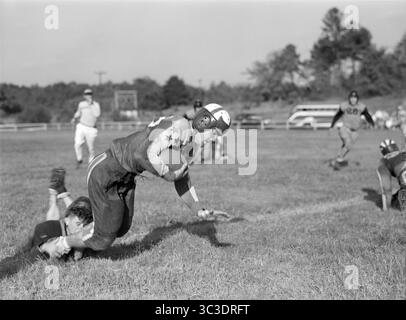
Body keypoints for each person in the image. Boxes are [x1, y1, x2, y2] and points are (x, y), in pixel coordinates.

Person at [41, 104, 232, 258]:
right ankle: (57, 243)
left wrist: (199, 209)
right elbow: (143, 154)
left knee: (121, 228)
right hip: (108, 170)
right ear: (204, 121)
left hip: (126, 176)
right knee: (103, 238)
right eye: (215, 133)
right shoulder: (178, 126)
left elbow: (181, 178)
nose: (213, 139)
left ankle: (80, 239)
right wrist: (166, 174)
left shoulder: (188, 141)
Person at [0, 168, 93, 277]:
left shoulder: (86, 227)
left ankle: (60, 191)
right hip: (46, 233)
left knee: (83, 210)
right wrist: (45, 246)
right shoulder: (51, 228)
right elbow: (39, 254)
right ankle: (55, 194)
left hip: (66, 226)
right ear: (66, 220)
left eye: (84, 225)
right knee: (52, 230)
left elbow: (80, 221)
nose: (81, 228)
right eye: (78, 225)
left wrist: (80, 248)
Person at [330, 90, 375, 170]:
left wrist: (371, 123)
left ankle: (337, 160)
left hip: (355, 131)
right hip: (345, 128)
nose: (353, 100)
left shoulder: (361, 107)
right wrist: (332, 126)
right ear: (349, 98)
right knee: (348, 143)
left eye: (354, 98)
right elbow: (337, 115)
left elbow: (367, 115)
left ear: (357, 99)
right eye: (351, 98)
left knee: (347, 147)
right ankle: (338, 160)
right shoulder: (344, 106)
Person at [71, 88, 101, 168]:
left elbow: (97, 114)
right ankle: (79, 159)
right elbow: (78, 112)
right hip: (81, 126)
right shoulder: (81, 104)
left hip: (91, 128)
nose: (88, 95)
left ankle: (91, 165)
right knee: (77, 143)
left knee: (90, 148)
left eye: (90, 94)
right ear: (84, 95)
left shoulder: (96, 104)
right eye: (87, 94)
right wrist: (74, 118)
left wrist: (91, 104)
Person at [376, 139, 406, 214]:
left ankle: (401, 207)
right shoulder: (403, 152)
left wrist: (386, 208)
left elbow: (387, 189)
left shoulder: (383, 161)